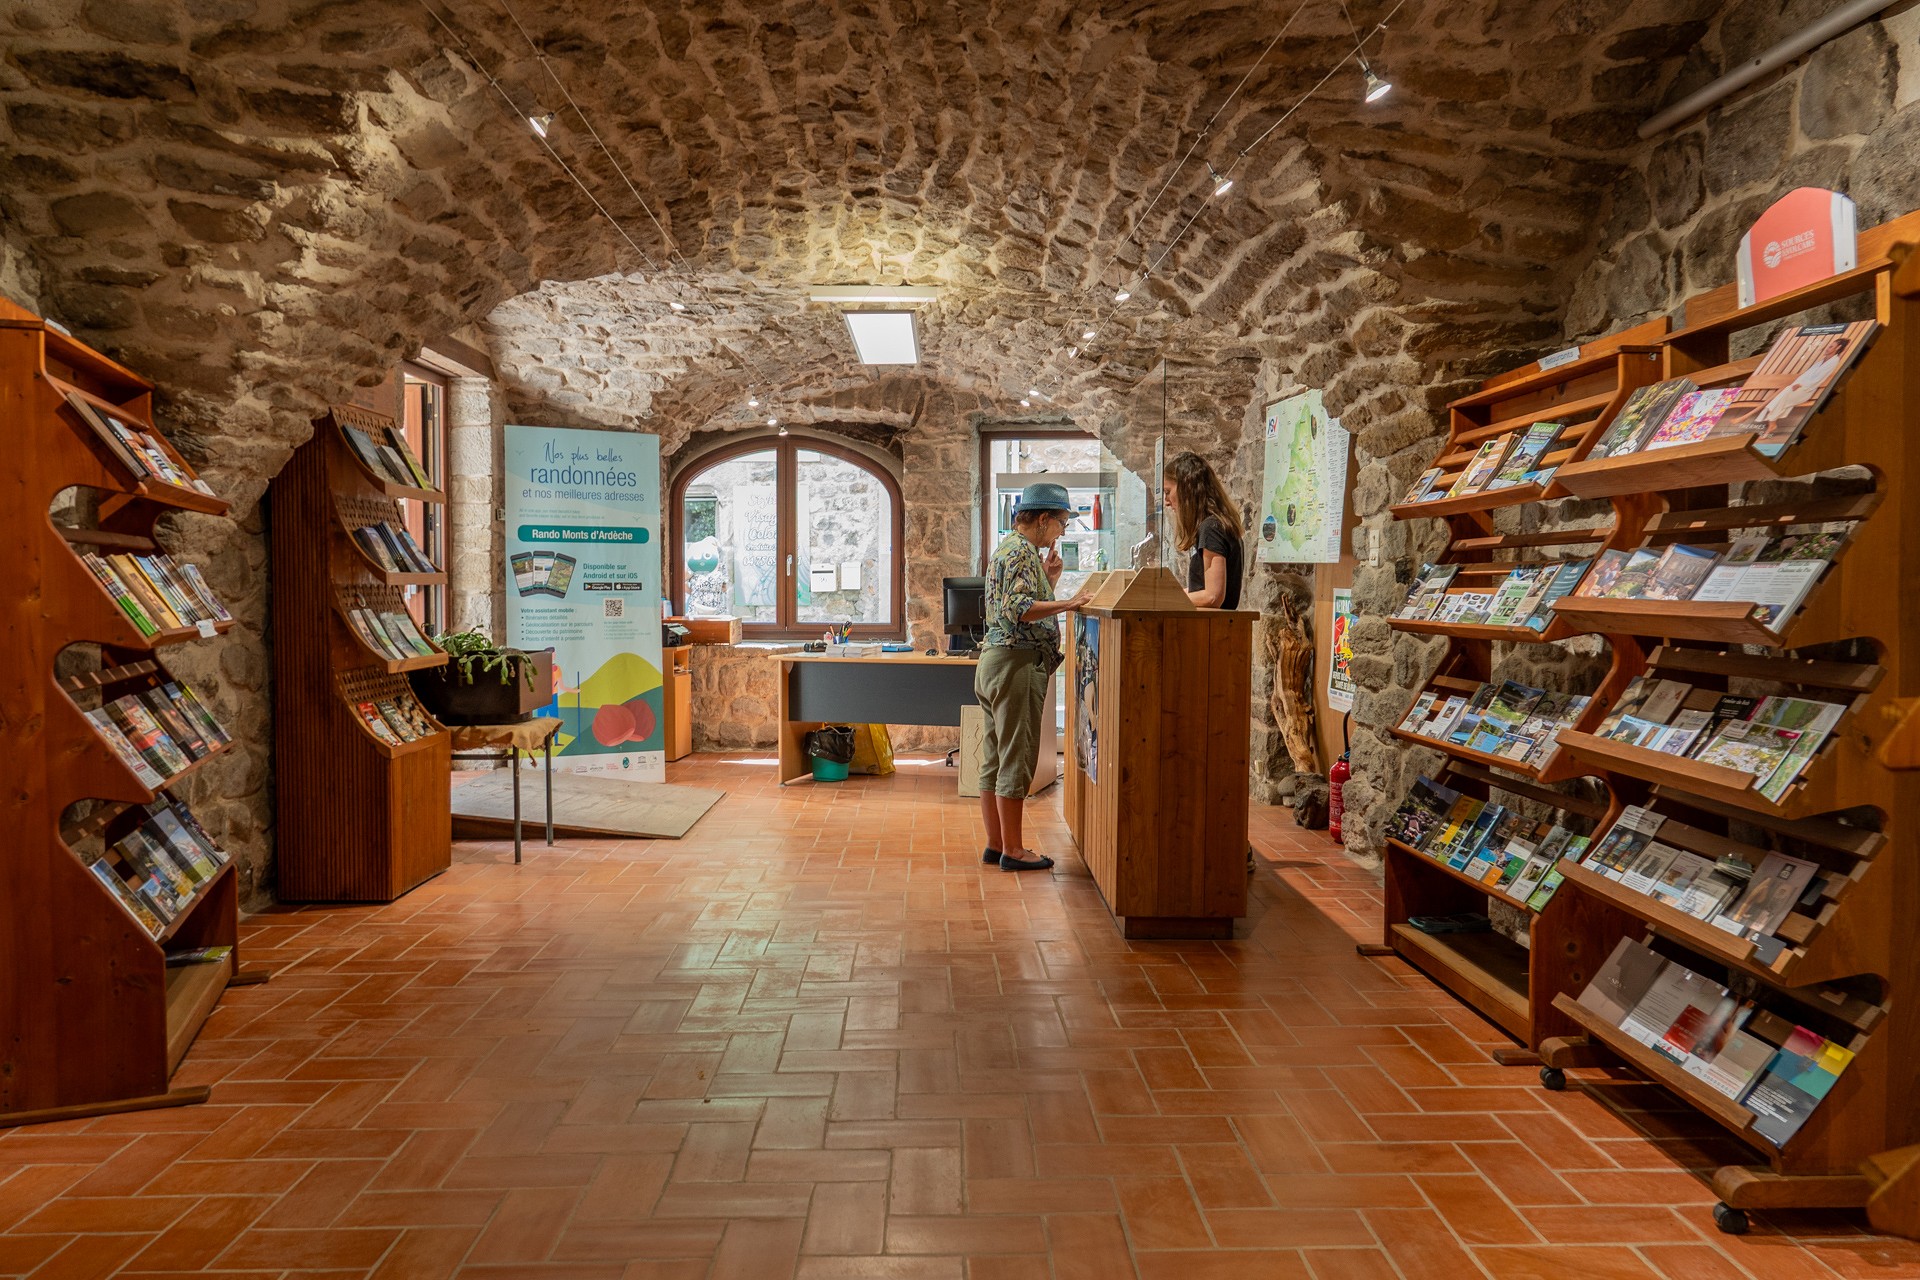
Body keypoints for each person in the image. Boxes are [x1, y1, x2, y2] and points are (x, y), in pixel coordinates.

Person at [977, 482, 1090, 872]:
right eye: (1061, 523)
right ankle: (1015, 850)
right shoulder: (1022, 551)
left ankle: (996, 844)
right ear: (1043, 519)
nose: (1062, 531)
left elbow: (1014, 601)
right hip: (1016, 665)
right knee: (1016, 758)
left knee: (995, 757)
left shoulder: (1009, 548)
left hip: (994, 662)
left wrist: (1050, 581)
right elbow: (1019, 609)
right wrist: (1070, 603)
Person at [1162, 450, 1246, 609]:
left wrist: (1165, 601)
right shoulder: (1216, 525)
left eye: (1168, 492)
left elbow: (1212, 596)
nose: (1166, 501)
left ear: (1186, 488)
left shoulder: (1211, 528)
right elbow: (1200, 590)